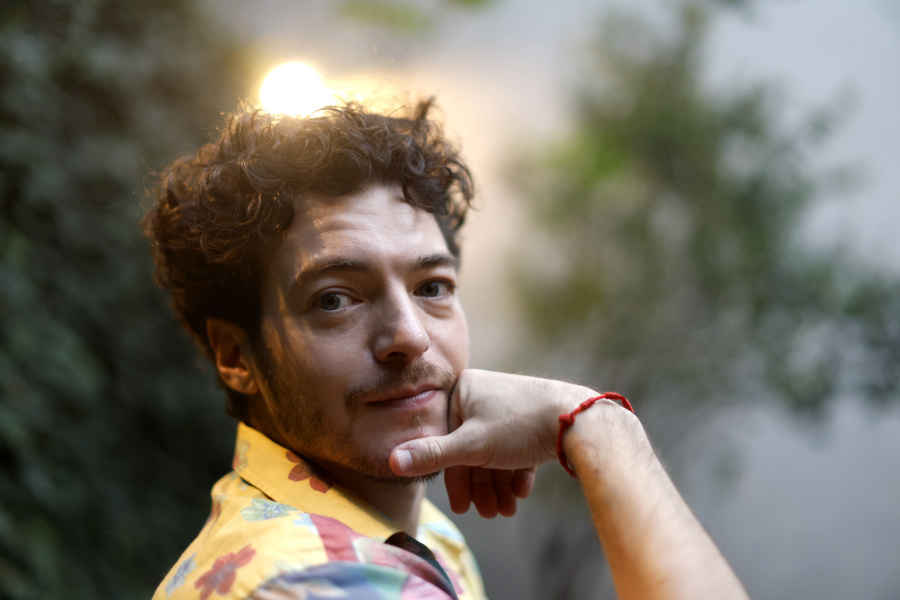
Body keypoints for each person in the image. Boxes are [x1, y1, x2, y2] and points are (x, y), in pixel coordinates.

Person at [145, 98, 748, 600]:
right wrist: (597, 425)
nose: (409, 336)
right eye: (334, 299)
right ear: (236, 356)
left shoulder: (417, 534)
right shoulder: (314, 582)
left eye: (432, 287)